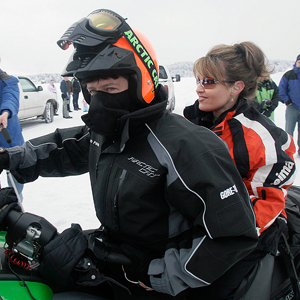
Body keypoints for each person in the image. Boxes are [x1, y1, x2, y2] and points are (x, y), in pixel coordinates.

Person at [0, 10, 258, 300]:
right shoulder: (107, 129)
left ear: (140, 82)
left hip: (160, 275)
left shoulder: (187, 146)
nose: (100, 102)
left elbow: (233, 235)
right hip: (115, 255)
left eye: (110, 88)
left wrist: (157, 274)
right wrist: (8, 157)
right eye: (92, 91)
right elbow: (65, 149)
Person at [183, 41, 296, 298]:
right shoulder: (190, 120)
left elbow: (267, 202)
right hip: (197, 225)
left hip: (243, 237)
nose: (199, 88)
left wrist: (224, 243)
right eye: (198, 80)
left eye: (209, 82)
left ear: (237, 87)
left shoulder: (261, 136)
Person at [0, 58, 24, 201]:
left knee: (15, 183)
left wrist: (5, 113)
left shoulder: (8, 80)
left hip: (10, 138)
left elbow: (11, 98)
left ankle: (15, 205)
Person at [279, 54, 300, 156]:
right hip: (292, 107)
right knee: (289, 130)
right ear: (296, 63)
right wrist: (287, 101)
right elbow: (281, 90)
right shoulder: (288, 75)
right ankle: (288, 151)